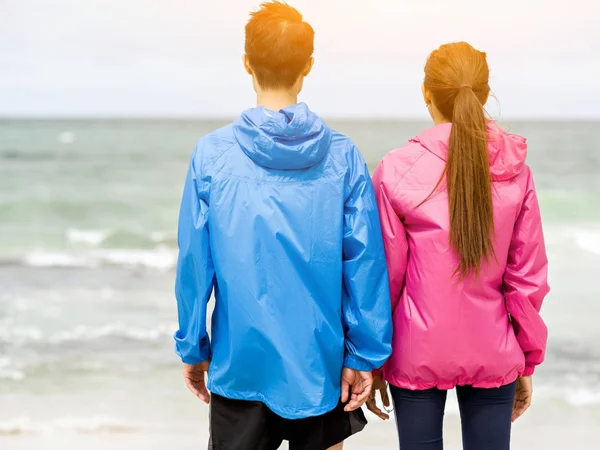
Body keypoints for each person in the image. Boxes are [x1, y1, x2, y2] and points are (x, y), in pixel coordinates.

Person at [173, 2, 392, 449]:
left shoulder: (212, 155)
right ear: (307, 66)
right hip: (320, 365)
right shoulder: (343, 155)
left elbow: (196, 263)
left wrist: (193, 347)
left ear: (246, 64)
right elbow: (364, 264)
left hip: (241, 362)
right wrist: (363, 354)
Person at [367, 42, 550, 450]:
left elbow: (384, 278)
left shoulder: (396, 169)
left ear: (426, 93)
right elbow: (526, 280)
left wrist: (375, 358)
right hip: (495, 348)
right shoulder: (515, 169)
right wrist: (526, 358)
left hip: (415, 350)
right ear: (484, 95)